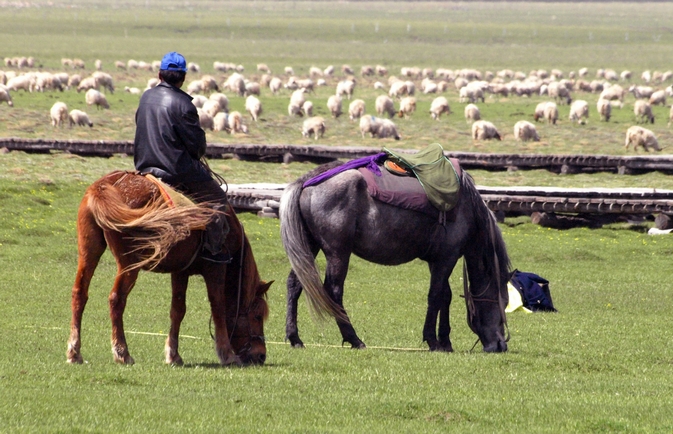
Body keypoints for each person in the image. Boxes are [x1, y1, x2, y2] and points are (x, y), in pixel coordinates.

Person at [133, 51, 230, 263]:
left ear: (160, 75)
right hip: (175, 170)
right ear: (183, 78)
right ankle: (212, 250)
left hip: (144, 166)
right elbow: (196, 147)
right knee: (217, 200)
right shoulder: (184, 104)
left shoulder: (146, 97)